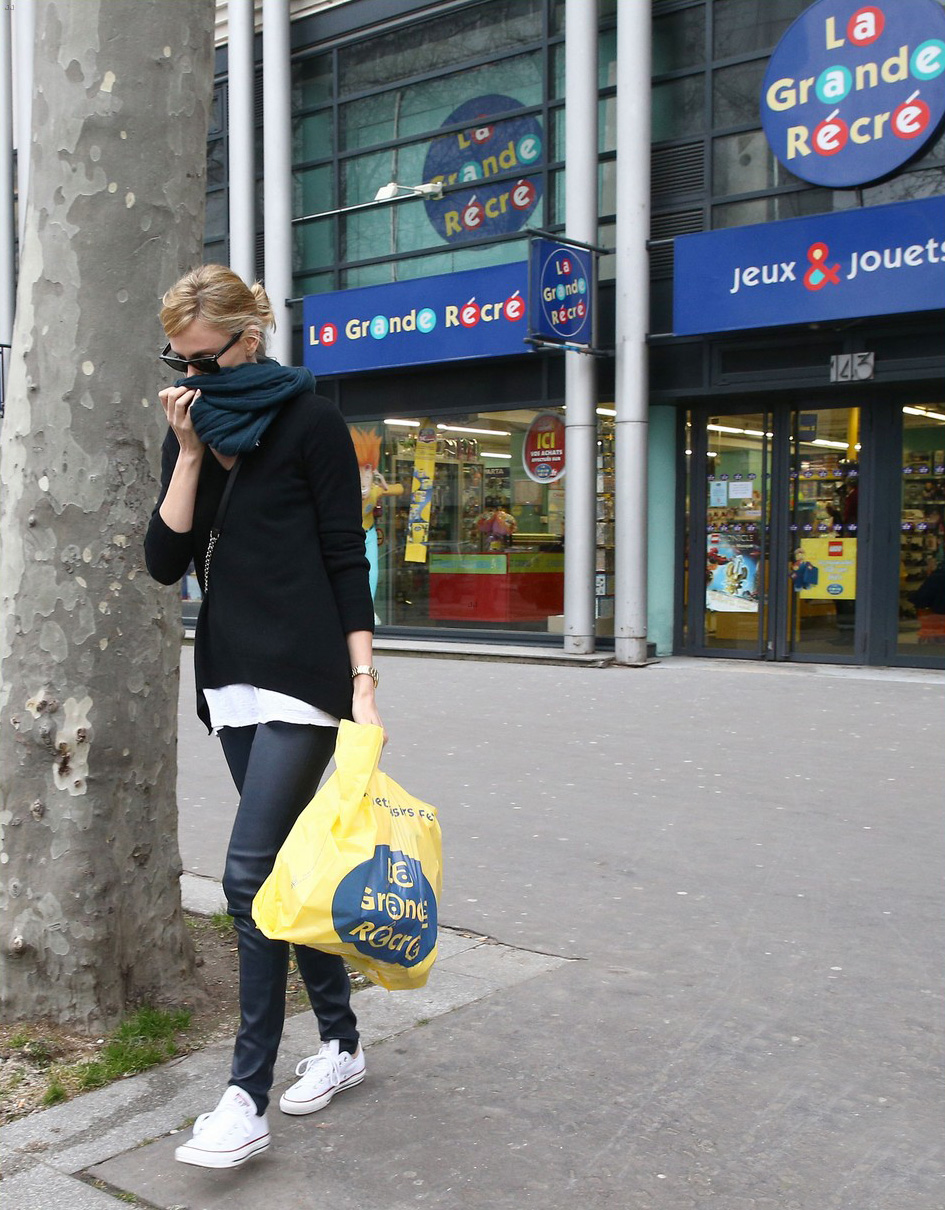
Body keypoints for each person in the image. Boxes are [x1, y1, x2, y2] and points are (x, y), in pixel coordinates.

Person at [144, 265, 383, 1170]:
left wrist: (362, 679)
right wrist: (193, 451)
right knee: (286, 870)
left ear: (252, 337)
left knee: (246, 879)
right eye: (180, 359)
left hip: (305, 674)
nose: (192, 374)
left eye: (206, 357)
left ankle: (243, 1096)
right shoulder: (195, 425)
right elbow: (165, 561)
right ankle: (343, 1041)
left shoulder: (312, 421)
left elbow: (341, 557)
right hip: (231, 676)